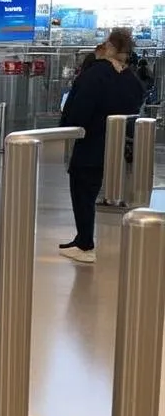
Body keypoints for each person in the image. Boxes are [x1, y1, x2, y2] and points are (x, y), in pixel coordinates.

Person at [59, 27, 145, 264]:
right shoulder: (131, 78)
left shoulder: (94, 74)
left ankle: (85, 243)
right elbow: (137, 103)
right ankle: (81, 239)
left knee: (82, 191)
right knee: (92, 190)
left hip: (90, 143)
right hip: (118, 146)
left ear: (109, 46)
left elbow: (77, 112)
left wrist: (67, 124)